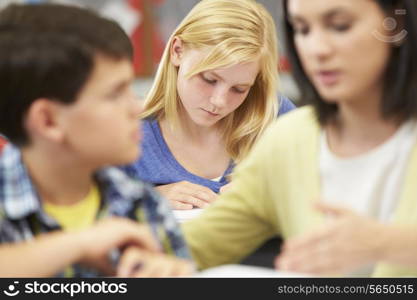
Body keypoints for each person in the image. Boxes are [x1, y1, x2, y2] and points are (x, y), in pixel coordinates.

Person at [182, 0, 417, 277]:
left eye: (340, 26)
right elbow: (193, 244)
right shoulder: (290, 139)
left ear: (396, 24)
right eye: (302, 29)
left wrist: (386, 244)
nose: (316, 49)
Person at [0, 3, 192, 277]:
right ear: (48, 121)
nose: (137, 108)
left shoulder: (141, 202)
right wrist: (76, 245)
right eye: (115, 94)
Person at [123, 0, 296, 210]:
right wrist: (145, 200)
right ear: (177, 51)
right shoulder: (128, 132)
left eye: (239, 89)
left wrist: (273, 191)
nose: (219, 102)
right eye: (209, 80)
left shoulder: (274, 114)